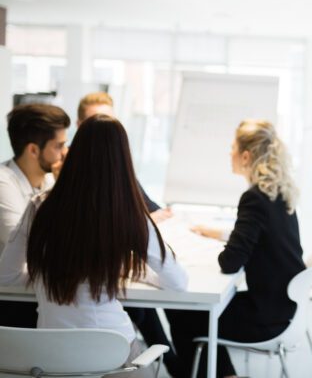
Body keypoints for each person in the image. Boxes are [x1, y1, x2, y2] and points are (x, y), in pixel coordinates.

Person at [0, 114, 188, 377]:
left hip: (51, 358)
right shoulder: (128, 213)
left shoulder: (39, 206)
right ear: (123, 161)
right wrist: (143, 275)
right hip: (112, 357)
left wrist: (48, 274)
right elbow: (177, 282)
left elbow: (6, 276)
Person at [167, 119, 305, 378]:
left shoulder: (253, 198)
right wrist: (219, 234)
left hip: (266, 317)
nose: (228, 153)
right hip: (282, 306)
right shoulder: (278, 192)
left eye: (232, 147)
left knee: (183, 312)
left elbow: (230, 262)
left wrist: (217, 248)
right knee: (195, 312)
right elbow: (262, 238)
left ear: (245, 155)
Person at [76, 91, 179, 375]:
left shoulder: (45, 203)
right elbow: (177, 281)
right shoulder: (118, 206)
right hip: (110, 348)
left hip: (49, 355)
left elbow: (154, 209)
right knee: (146, 308)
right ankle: (177, 365)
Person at [0, 104, 70, 328]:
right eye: (59, 145)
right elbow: (29, 245)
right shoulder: (4, 182)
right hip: (11, 299)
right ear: (33, 150)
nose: (65, 152)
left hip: (36, 287)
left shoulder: (48, 180)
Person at [76, 92, 172, 223]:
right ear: (79, 125)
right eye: (97, 123)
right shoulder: (68, 165)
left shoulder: (116, 163)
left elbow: (147, 205)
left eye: (110, 123)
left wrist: (161, 214)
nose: (106, 131)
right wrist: (145, 220)